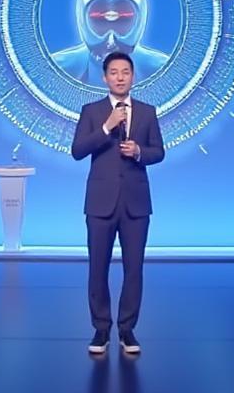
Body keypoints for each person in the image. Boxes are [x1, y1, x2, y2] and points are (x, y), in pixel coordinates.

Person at [71, 51, 165, 355]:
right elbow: (77, 150)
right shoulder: (92, 111)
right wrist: (106, 127)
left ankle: (127, 330)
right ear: (105, 77)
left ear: (133, 76)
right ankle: (101, 330)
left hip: (136, 204)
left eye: (125, 72)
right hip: (100, 204)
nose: (120, 77)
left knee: (134, 269)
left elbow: (159, 152)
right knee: (97, 268)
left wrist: (139, 152)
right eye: (114, 72)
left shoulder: (148, 112)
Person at [52, 0, 171, 84]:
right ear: (82, 19)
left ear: (140, 19)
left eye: (123, 20)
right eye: (100, 20)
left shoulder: (164, 72)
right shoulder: (56, 71)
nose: (111, 40)